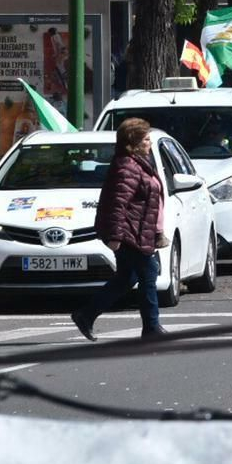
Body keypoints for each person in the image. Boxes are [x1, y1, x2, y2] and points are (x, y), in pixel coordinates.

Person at [71, 118, 170, 342]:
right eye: (146, 140)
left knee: (127, 278)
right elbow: (117, 203)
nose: (150, 144)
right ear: (133, 143)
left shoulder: (138, 163)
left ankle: (86, 315)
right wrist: (115, 236)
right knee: (148, 274)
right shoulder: (127, 166)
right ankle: (151, 328)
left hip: (139, 230)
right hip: (130, 232)